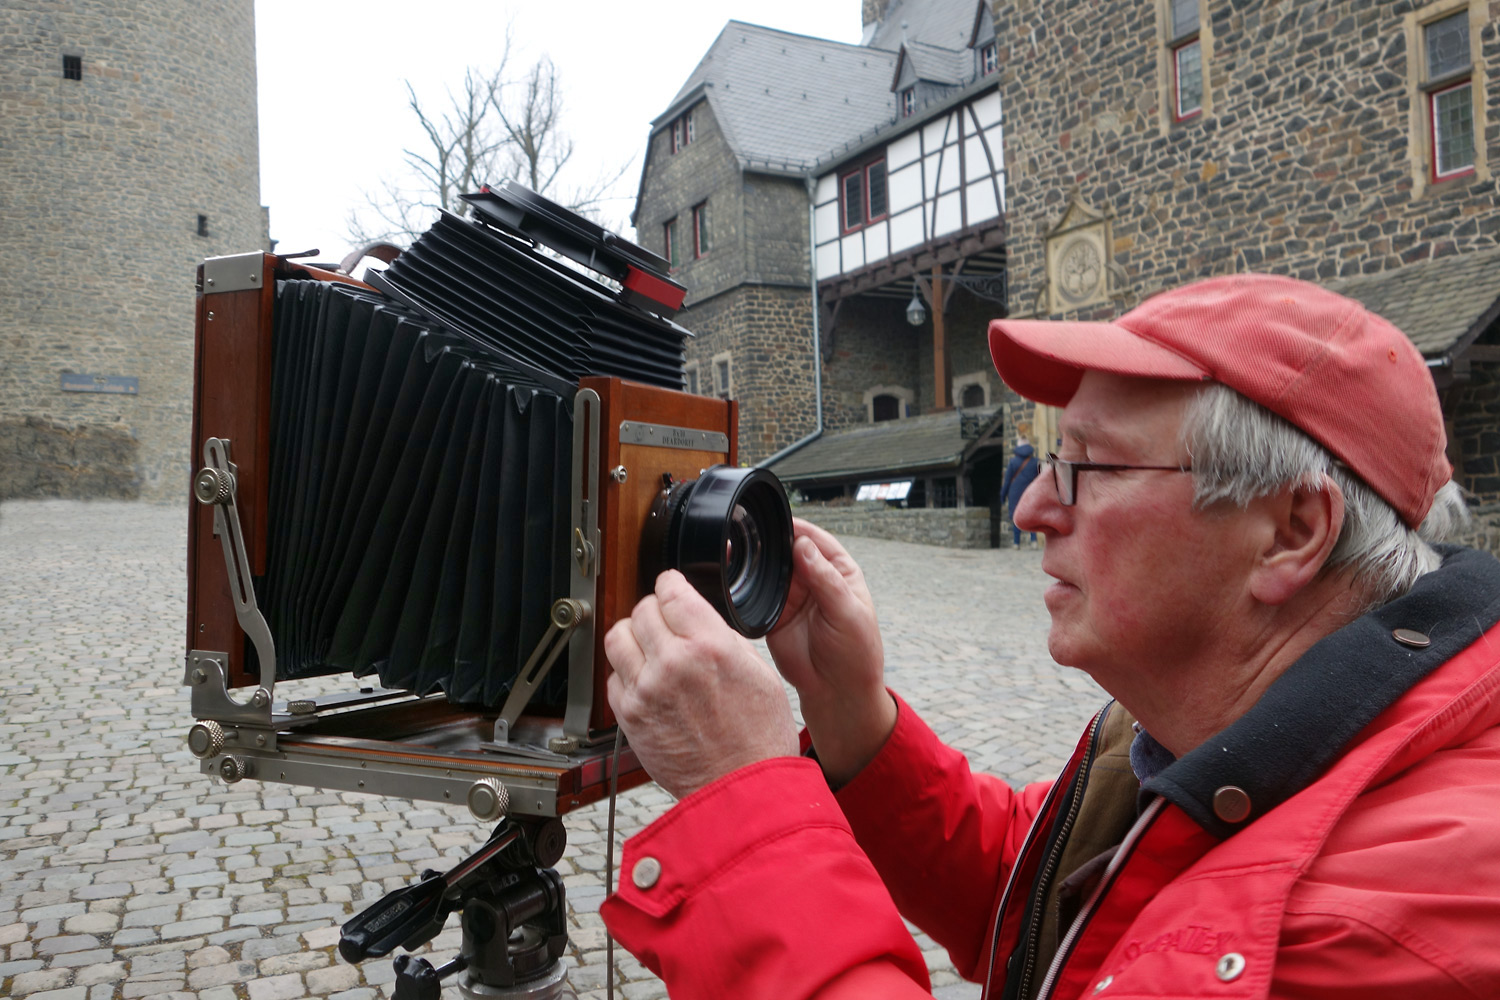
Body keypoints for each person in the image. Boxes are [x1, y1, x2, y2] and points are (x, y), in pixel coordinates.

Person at [599, 274, 1500, 1000]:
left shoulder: (1387, 918)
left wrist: (748, 810)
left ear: (1292, 529)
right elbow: (1051, 899)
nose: (1031, 507)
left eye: (1087, 468)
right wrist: (850, 715)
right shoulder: (1220, 735)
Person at [998, 425, 1041, 547]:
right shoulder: (1035, 462)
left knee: (1016, 516)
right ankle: (1034, 541)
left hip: (1015, 493)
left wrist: (1003, 496)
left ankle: (1016, 543)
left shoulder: (1013, 462)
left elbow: (1007, 481)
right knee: (1032, 515)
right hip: (1031, 492)